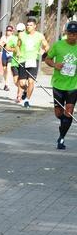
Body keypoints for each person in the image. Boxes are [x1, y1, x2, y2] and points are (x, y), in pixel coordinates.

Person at [43, 21, 77, 149]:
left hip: (73, 85)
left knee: (69, 111)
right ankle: (64, 123)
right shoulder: (58, 45)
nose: (72, 36)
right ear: (66, 33)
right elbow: (47, 59)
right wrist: (54, 64)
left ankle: (61, 138)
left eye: (75, 33)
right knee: (58, 113)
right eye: (70, 33)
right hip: (58, 84)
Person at [15, 17, 49, 108]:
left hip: (33, 60)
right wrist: (18, 52)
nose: (28, 26)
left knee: (31, 81)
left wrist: (43, 50)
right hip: (23, 60)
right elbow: (17, 45)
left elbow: (47, 46)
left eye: (30, 25)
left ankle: (27, 100)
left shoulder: (39, 36)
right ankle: (26, 91)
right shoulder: (21, 35)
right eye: (27, 25)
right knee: (22, 83)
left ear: (35, 26)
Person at [0, 25, 15, 91]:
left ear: (12, 31)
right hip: (4, 54)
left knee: (8, 69)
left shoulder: (14, 38)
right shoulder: (3, 37)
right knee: (4, 69)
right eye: (7, 30)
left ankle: (7, 84)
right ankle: (6, 82)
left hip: (11, 54)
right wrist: (2, 43)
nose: (8, 31)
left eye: (10, 30)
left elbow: (16, 47)